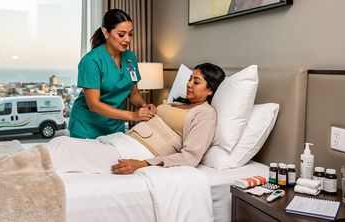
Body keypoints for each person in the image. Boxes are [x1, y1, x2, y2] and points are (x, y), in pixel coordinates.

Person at [48, 63, 225, 174]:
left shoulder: (205, 114)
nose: (188, 84)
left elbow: (189, 157)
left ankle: (23, 167)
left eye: (196, 81)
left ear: (210, 89)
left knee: (64, 149)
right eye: (189, 79)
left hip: (139, 153)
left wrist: (142, 164)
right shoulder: (179, 104)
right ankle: (24, 165)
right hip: (123, 141)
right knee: (61, 143)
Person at [68, 9, 156, 139]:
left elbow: (134, 94)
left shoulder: (130, 58)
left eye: (130, 34)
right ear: (105, 32)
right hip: (87, 126)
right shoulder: (91, 61)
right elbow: (94, 105)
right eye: (121, 34)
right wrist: (133, 115)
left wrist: (144, 107)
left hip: (114, 126)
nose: (127, 40)